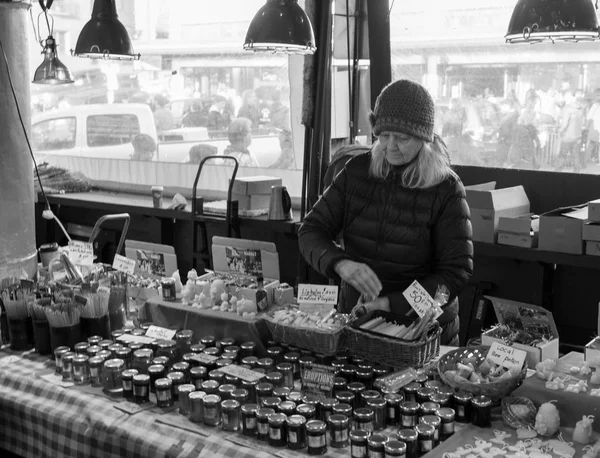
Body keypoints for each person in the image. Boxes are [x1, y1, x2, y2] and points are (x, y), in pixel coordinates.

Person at [298, 79, 473, 345]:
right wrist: (340, 263)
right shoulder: (357, 171)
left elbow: (453, 274)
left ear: (424, 138)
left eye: (402, 138)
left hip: (422, 331)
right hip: (357, 317)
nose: (390, 146)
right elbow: (310, 231)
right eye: (383, 135)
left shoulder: (446, 188)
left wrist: (393, 304)